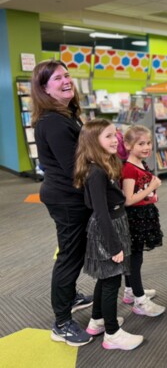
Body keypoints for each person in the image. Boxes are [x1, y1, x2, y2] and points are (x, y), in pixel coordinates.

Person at [31, 60, 94, 346]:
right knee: (70, 255)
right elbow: (75, 166)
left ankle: (70, 297)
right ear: (44, 88)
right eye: (57, 78)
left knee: (74, 252)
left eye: (67, 75)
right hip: (67, 198)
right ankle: (62, 322)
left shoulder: (67, 114)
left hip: (71, 194)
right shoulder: (54, 122)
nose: (66, 80)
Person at [74, 119, 144, 350]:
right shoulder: (96, 172)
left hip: (114, 223)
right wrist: (114, 247)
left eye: (116, 134)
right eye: (108, 136)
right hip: (108, 230)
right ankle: (112, 334)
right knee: (112, 280)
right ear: (94, 142)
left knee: (105, 278)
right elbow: (100, 212)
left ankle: (97, 321)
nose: (115, 139)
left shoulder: (103, 164)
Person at [120, 125, 166, 317]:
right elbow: (128, 199)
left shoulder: (140, 163)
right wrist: (152, 187)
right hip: (135, 219)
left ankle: (131, 291)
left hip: (145, 215)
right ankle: (140, 301)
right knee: (134, 259)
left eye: (148, 143)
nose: (147, 147)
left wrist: (150, 192)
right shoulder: (129, 169)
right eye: (141, 143)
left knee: (136, 256)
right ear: (128, 145)